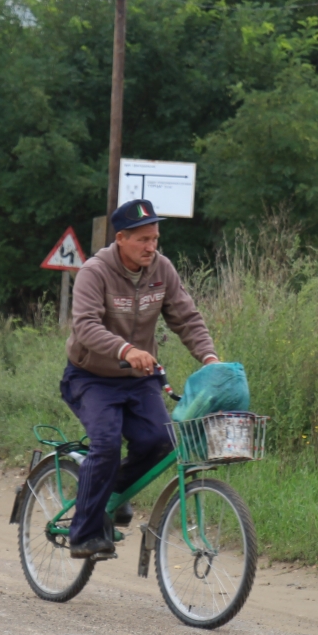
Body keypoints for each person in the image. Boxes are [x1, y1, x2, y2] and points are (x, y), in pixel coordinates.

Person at [62, 198, 219, 559]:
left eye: (155, 238)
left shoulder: (162, 270)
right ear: (121, 238)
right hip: (91, 377)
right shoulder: (94, 271)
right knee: (105, 444)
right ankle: (83, 534)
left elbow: (186, 318)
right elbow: (85, 326)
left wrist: (209, 358)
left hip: (138, 378)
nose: (152, 247)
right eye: (143, 239)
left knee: (160, 441)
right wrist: (125, 349)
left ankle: (111, 494)